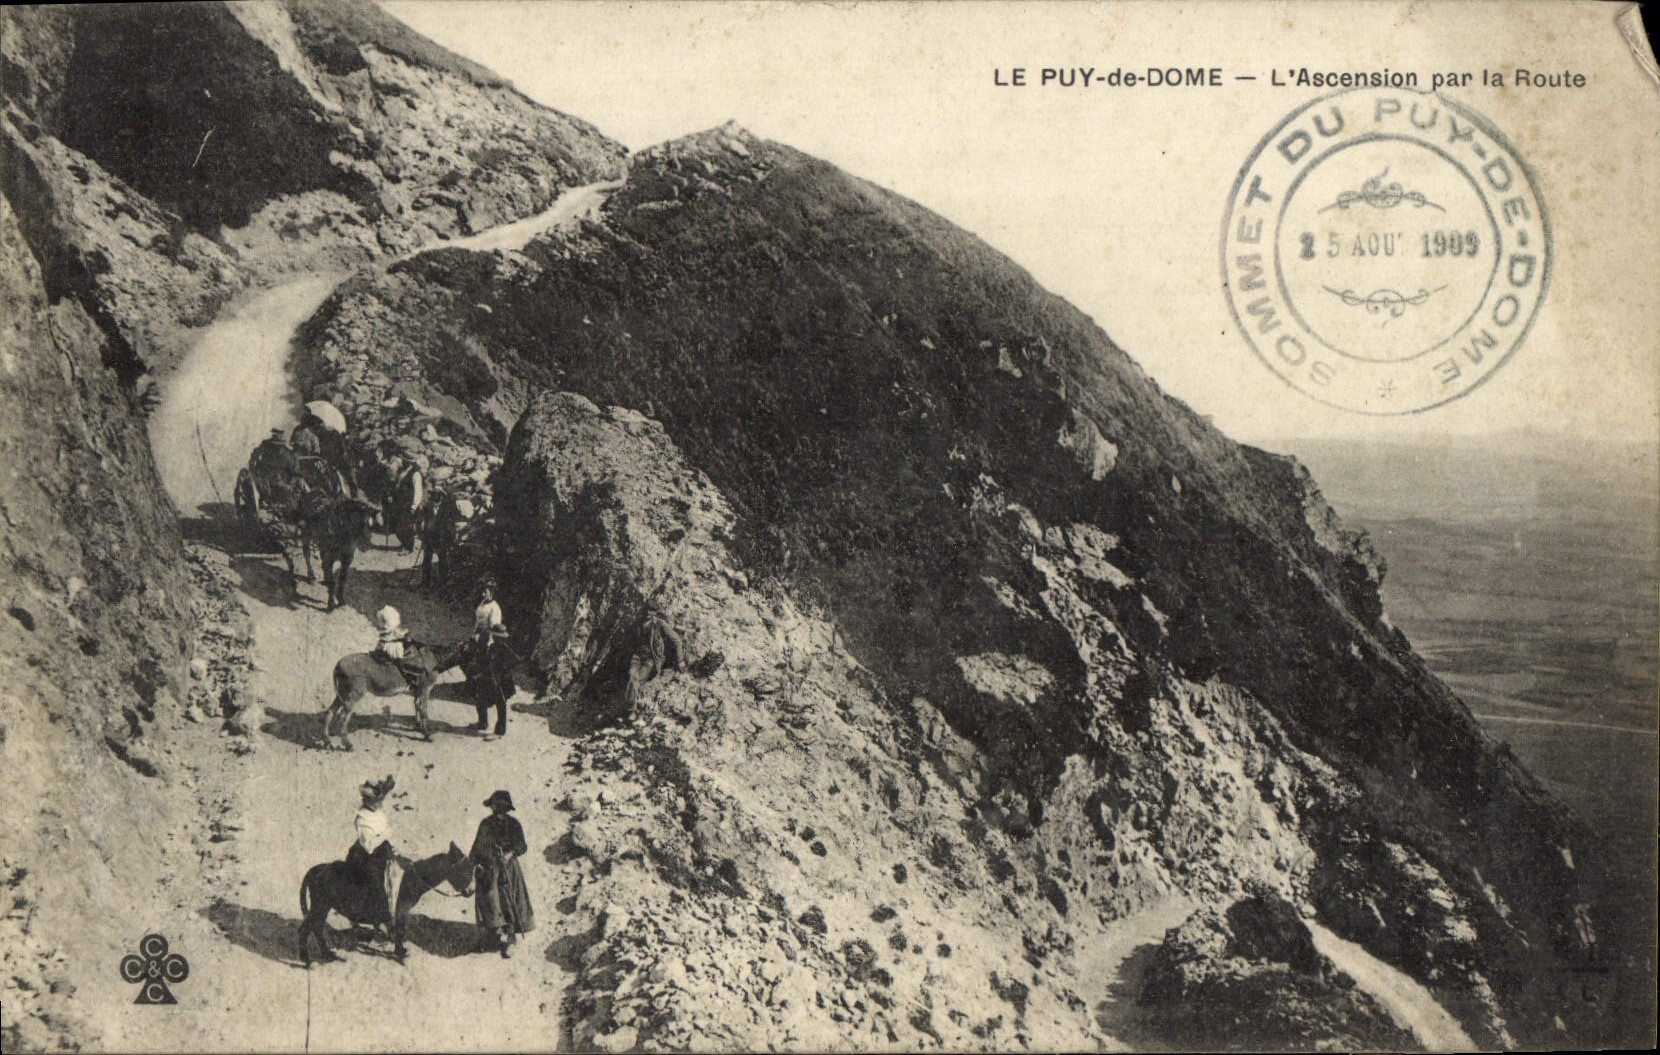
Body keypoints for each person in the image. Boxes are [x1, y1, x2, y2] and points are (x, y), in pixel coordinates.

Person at [470, 790, 534, 957]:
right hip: (489, 868)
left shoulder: (513, 824)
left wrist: (510, 854)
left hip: (508, 868)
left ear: (505, 808)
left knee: (509, 901)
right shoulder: (485, 824)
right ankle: (492, 936)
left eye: (499, 806)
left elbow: (522, 845)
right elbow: (477, 847)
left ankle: (511, 938)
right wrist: (476, 863)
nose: (496, 809)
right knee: (490, 901)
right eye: (495, 806)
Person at [346, 776, 399, 924]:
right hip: (363, 857)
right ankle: (379, 920)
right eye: (377, 801)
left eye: (380, 800)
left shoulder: (379, 813)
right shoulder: (362, 819)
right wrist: (386, 834)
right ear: (368, 801)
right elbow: (369, 846)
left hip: (380, 853)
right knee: (375, 883)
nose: (380, 804)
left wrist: (392, 848)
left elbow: (385, 835)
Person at [468, 580, 515, 737]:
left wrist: (483, 640)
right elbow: (477, 622)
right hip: (479, 639)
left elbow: (493, 629)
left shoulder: (495, 609)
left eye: (486, 591)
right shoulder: (482, 604)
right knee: (480, 690)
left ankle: (500, 729)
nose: (483, 593)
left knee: (498, 699)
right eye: (483, 591)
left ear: (492, 593)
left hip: (487, 641)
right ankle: (482, 722)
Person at [624, 603, 683, 708]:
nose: (648, 613)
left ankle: (631, 708)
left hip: (651, 659)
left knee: (637, 678)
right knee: (631, 675)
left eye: (651, 611)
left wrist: (680, 660)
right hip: (637, 657)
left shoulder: (660, 625)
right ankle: (630, 706)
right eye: (647, 610)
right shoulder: (638, 624)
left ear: (655, 613)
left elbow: (677, 641)